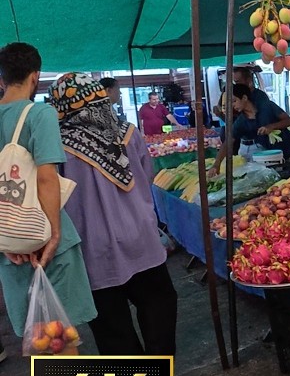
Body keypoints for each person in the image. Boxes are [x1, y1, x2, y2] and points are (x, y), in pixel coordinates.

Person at [48, 74, 177, 356]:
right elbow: (148, 176)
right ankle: (160, 367)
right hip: (140, 238)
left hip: (92, 248)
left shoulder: (56, 148)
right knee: (159, 305)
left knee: (110, 323)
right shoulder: (128, 133)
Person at [0, 43, 97, 341]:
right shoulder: (40, 114)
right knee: (60, 337)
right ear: (35, 77)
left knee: (36, 337)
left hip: (9, 248)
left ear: (1, 79)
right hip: (46, 241)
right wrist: (53, 234)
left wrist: (5, 241)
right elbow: (46, 177)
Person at [213, 84, 290, 179]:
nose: (233, 106)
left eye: (234, 101)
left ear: (244, 98)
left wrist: (271, 127)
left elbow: (289, 121)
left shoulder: (267, 106)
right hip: (273, 157)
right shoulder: (241, 121)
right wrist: (217, 164)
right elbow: (228, 142)